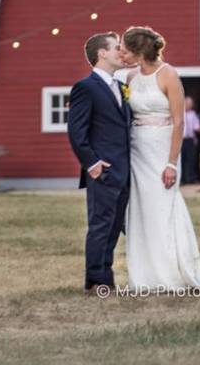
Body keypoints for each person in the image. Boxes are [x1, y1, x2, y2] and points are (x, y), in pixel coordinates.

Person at [119, 25, 200, 291]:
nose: (122, 55)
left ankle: (172, 272)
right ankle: (144, 275)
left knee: (163, 206)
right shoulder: (129, 77)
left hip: (163, 151)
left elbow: (179, 121)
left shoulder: (169, 75)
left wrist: (172, 162)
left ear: (139, 51)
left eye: (125, 50)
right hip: (137, 149)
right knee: (140, 209)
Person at [66, 31, 132, 295]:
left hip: (124, 170)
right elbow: (76, 131)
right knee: (100, 226)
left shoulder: (119, 86)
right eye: (117, 47)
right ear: (101, 53)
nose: (121, 52)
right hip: (102, 170)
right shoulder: (86, 87)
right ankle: (95, 282)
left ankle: (107, 279)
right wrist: (91, 163)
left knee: (114, 227)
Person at [180, 96, 200, 184]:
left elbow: (196, 126)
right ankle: (181, 179)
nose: (189, 105)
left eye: (190, 104)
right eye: (187, 103)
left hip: (190, 140)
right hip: (181, 140)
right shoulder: (179, 112)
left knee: (191, 160)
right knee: (181, 160)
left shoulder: (193, 114)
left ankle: (192, 178)